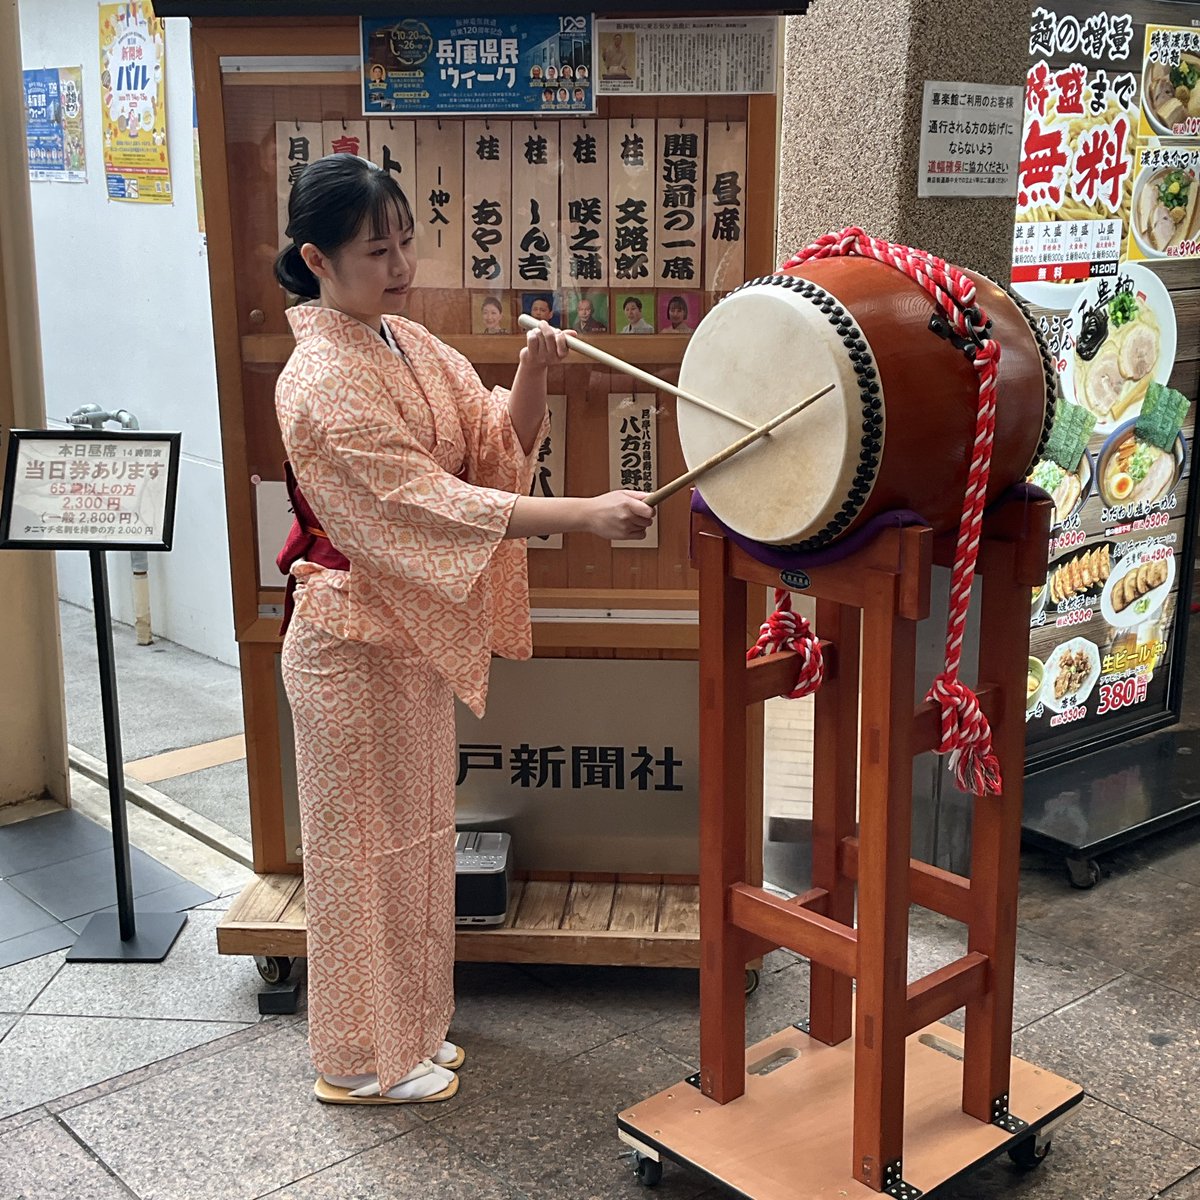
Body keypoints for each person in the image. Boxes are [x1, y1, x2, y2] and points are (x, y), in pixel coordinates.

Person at [272, 154, 653, 1107]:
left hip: (401, 643)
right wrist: (584, 515)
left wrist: (530, 374)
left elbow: (493, 444)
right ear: (316, 259)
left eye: (405, 242)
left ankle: (408, 1034)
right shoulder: (321, 378)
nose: (400, 265)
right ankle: (356, 1058)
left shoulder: (402, 341)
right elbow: (427, 504)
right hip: (348, 644)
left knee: (415, 842)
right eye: (376, 249)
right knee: (361, 853)